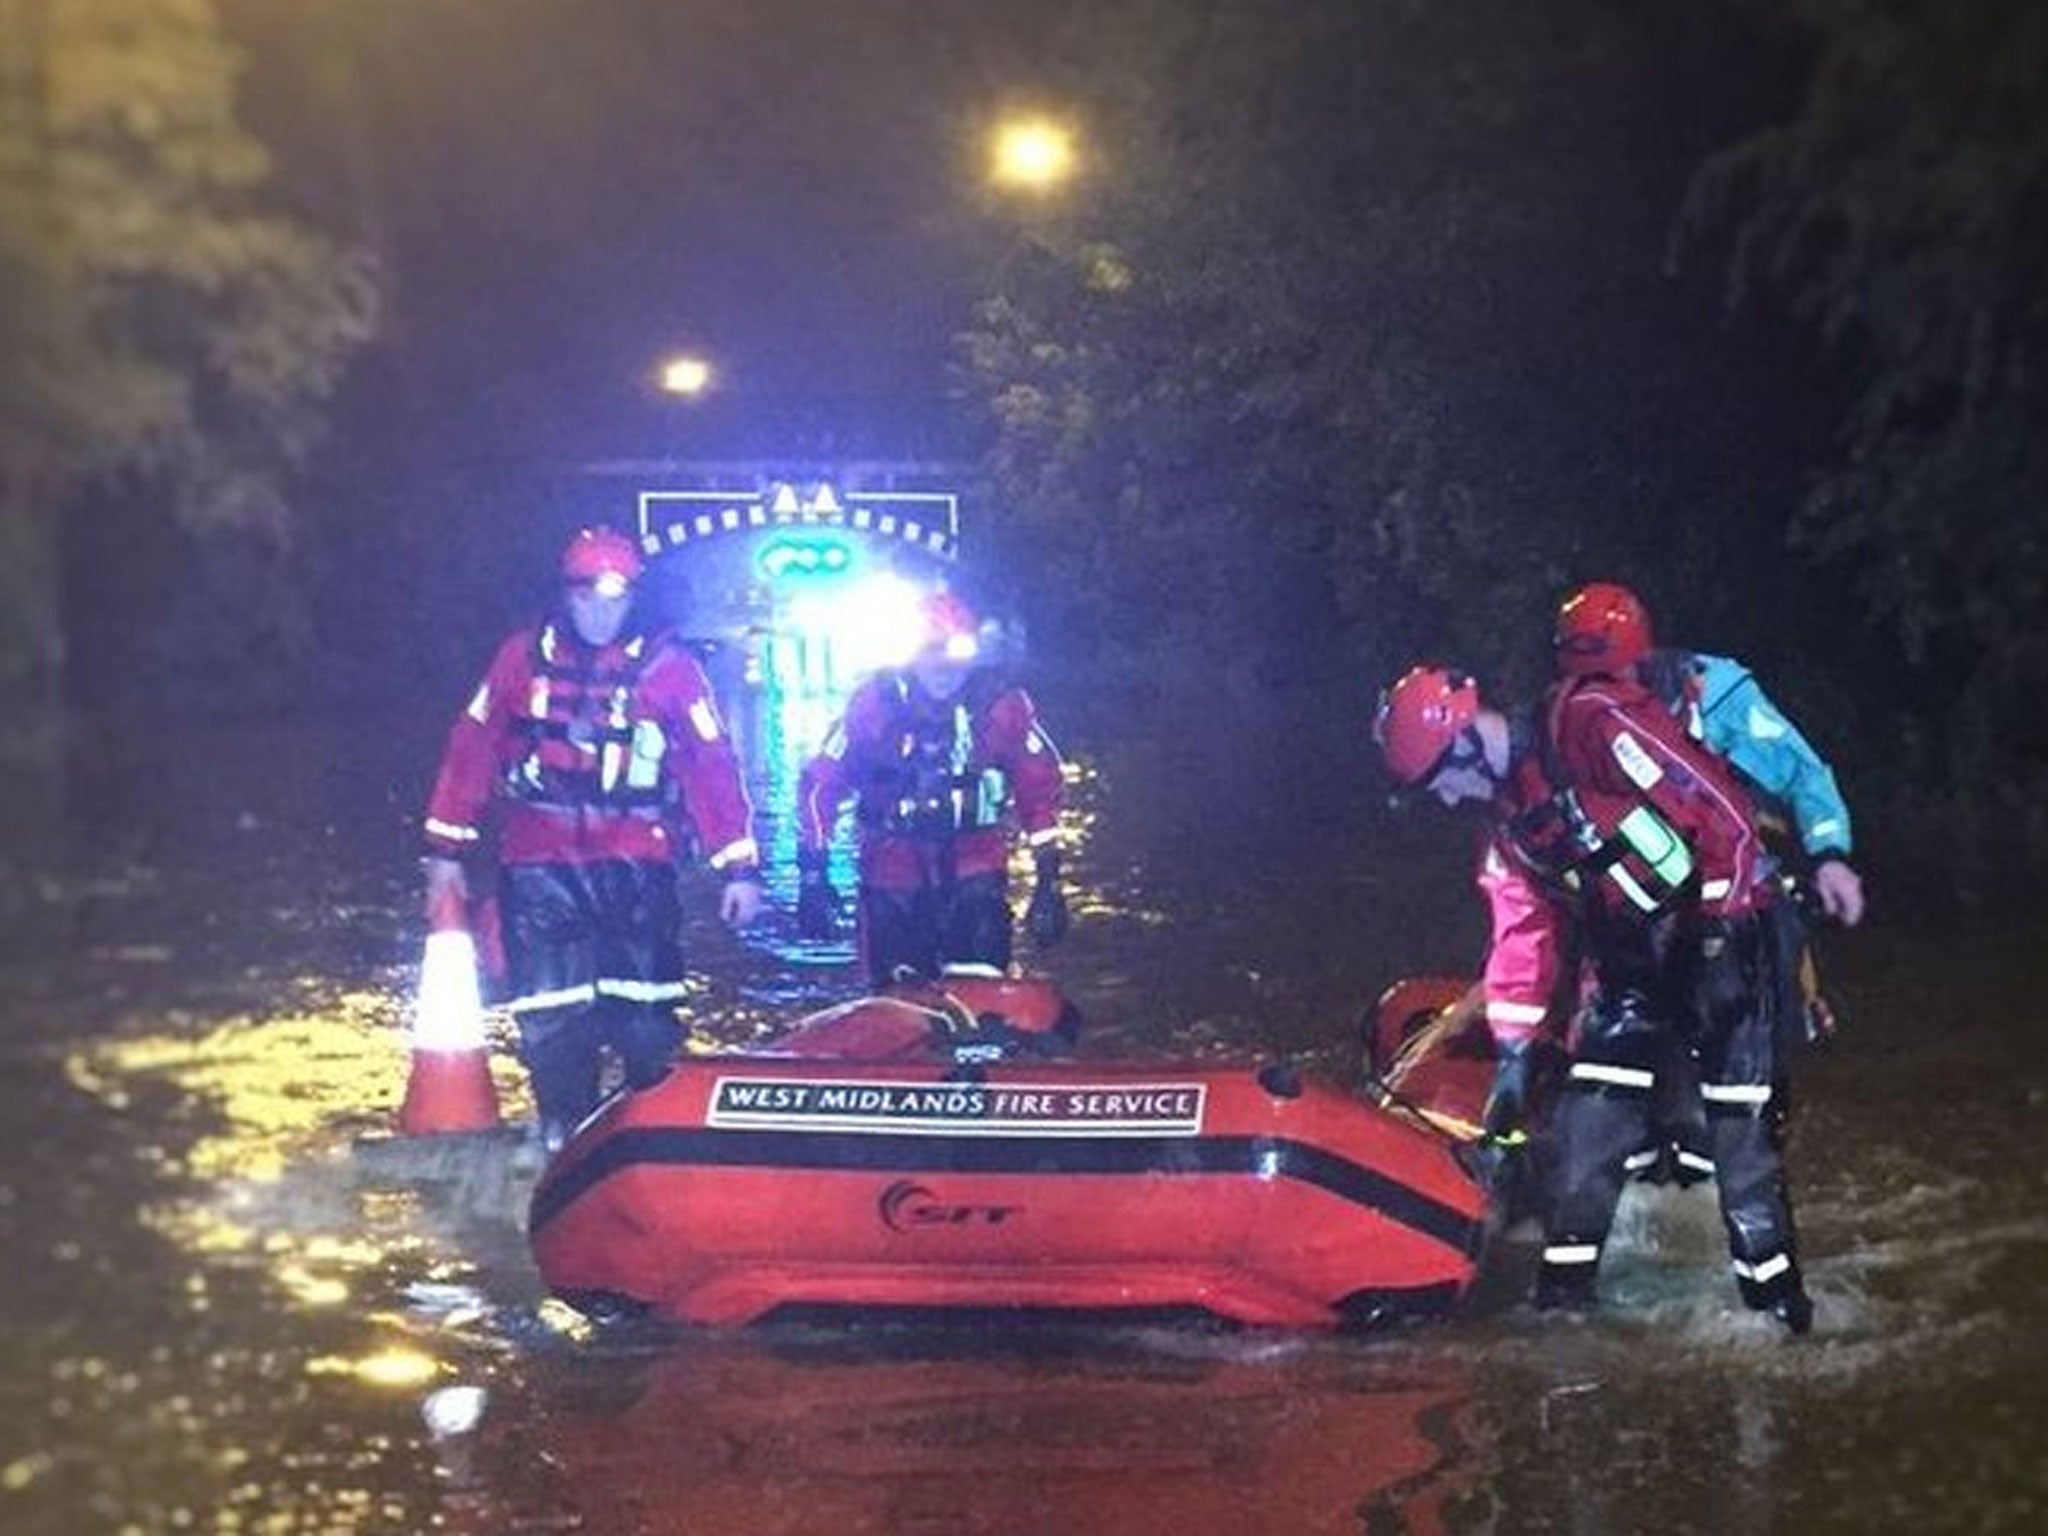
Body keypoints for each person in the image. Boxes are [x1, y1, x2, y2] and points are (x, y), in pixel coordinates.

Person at [1375, 662, 1812, 1332]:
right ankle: (1561, 1318)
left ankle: (1782, 1325)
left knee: (1740, 1157)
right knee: (1586, 1142)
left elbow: (1718, 808)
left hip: (1730, 939)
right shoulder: (1511, 822)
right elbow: (1526, 933)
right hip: (1635, 967)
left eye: (1441, 780)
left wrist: (1722, 929)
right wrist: (1517, 1056)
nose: (1446, 800)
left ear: (1464, 741)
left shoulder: (1589, 724)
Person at [421, 527, 764, 1149]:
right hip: (539, 861)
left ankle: (645, 1139)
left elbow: (709, 765)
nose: (603, 612)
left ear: (635, 596)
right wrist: (446, 850)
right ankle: (564, 1134)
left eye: (617, 597)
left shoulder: (670, 670)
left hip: (636, 861)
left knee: (644, 1017)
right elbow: (471, 748)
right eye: (589, 597)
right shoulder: (521, 660)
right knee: (552, 1015)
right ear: (567, 595)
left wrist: (737, 866)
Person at [1557, 581, 1863, 1182]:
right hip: (1651, 896)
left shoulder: (1717, 696)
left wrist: (1830, 854)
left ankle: (1752, 1154)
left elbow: (1803, 775)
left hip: (1745, 890)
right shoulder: (1579, 717)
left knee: (1752, 1034)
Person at [795, 589, 1067, 986]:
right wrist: (814, 873)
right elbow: (822, 785)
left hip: (976, 866)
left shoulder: (1002, 709)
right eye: (931, 653)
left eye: (954, 656)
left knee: (981, 975)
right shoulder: (873, 707)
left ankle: (983, 1029)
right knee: (896, 986)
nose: (943, 668)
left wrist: (1049, 878)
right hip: (892, 870)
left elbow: (1039, 790)